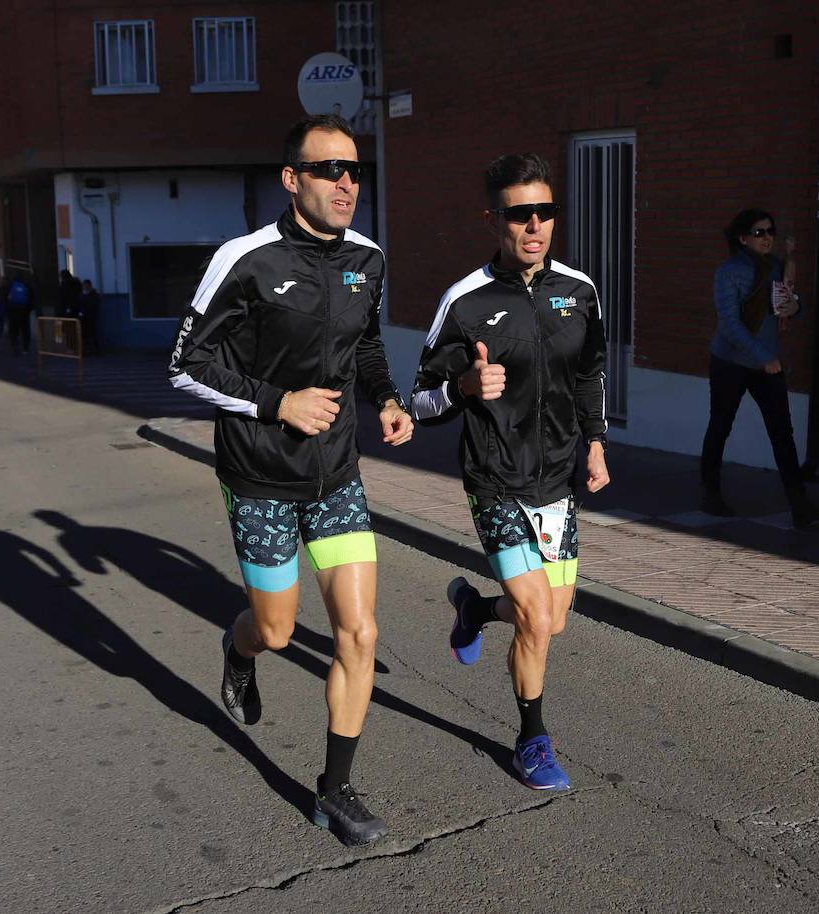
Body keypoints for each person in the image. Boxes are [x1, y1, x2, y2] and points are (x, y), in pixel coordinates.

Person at [168, 113, 413, 846]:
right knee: (275, 630)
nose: (346, 183)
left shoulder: (367, 258)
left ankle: (334, 790)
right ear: (291, 179)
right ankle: (238, 652)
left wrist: (389, 398)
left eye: (354, 171)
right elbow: (184, 366)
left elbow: (365, 346)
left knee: (359, 632)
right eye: (328, 170)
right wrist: (279, 403)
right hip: (259, 473)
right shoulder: (243, 259)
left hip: (336, 473)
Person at [411, 153, 610, 792]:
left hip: (558, 483)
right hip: (495, 477)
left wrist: (597, 443)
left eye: (544, 212)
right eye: (519, 214)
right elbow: (417, 398)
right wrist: (464, 387)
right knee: (533, 617)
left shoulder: (579, 292)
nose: (534, 226)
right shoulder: (464, 302)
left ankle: (471, 608)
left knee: (554, 618)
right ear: (493, 219)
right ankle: (532, 739)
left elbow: (589, 374)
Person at [700, 208, 819, 528]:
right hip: (732, 361)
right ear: (742, 238)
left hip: (767, 364)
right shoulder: (728, 272)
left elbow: (786, 304)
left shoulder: (777, 267)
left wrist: (796, 307)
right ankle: (711, 493)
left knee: (782, 432)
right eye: (759, 233)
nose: (767, 237)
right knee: (720, 425)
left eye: (770, 231)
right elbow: (729, 324)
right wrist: (763, 356)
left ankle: (799, 504)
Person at [4, 273, 34, 355]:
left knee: (13, 328)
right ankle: (26, 348)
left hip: (13, 310)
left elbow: (5, 297)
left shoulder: (10, 285)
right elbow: (32, 297)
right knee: (25, 329)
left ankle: (14, 344)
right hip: (24, 310)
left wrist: (8, 308)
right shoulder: (27, 285)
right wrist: (29, 309)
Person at [77, 279, 102, 354]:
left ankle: (95, 349)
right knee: (84, 334)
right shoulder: (81, 295)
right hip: (83, 317)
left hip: (90, 317)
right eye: (84, 286)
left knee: (92, 334)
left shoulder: (93, 295)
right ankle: (85, 350)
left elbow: (94, 305)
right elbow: (79, 304)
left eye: (86, 285)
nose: (85, 287)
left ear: (89, 286)